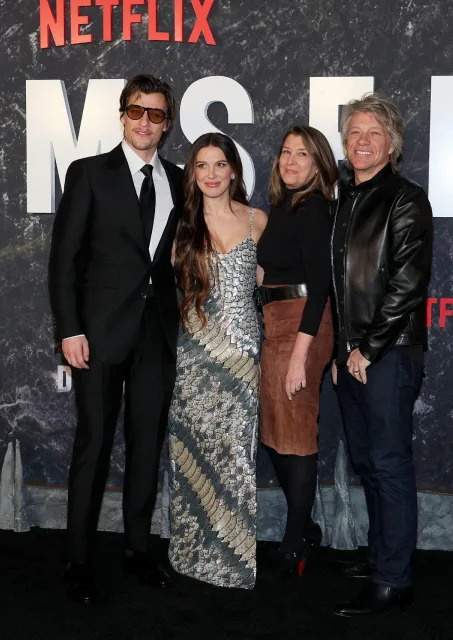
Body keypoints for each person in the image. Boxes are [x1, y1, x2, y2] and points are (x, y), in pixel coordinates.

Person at [47, 74, 184, 604]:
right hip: (98, 334)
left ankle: (136, 550)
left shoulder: (178, 178)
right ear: (122, 116)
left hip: (156, 334)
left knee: (147, 445)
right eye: (137, 111)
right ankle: (78, 560)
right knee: (94, 446)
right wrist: (69, 328)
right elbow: (64, 261)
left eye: (155, 114)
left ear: (167, 123)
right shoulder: (88, 175)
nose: (145, 121)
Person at [329, 93, 433, 617]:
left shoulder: (406, 198)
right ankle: (380, 557)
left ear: (392, 143)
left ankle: (395, 580)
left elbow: (407, 284)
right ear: (345, 144)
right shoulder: (347, 198)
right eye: (354, 133)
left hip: (387, 354)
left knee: (389, 464)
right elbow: (342, 286)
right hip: (352, 356)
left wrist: (368, 348)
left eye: (373, 132)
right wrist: (341, 349)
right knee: (369, 462)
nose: (362, 140)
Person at [167, 132, 268, 589]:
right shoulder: (179, 223)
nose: (211, 174)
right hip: (194, 359)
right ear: (193, 173)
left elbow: (276, 280)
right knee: (193, 456)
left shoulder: (257, 222)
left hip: (244, 359)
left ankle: (233, 560)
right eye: (202, 165)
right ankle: (191, 554)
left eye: (219, 164)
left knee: (236, 461)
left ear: (233, 170)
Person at [255, 125, 338, 577]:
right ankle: (303, 528)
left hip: (302, 324)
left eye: (302, 154)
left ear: (318, 164)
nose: (290, 161)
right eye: (285, 152)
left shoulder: (314, 209)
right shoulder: (285, 206)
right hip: (276, 322)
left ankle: (296, 545)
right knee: (276, 433)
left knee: (296, 436)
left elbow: (321, 286)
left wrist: (301, 356)